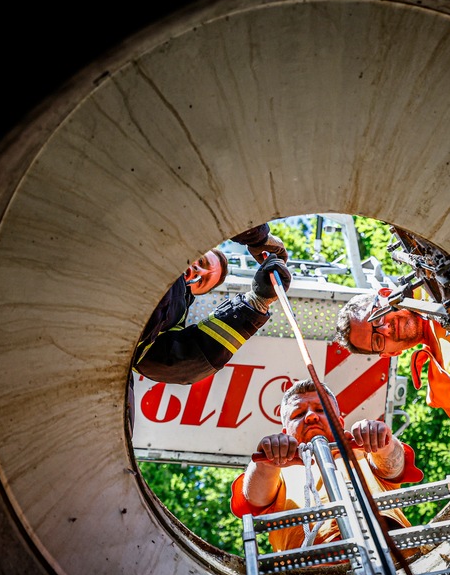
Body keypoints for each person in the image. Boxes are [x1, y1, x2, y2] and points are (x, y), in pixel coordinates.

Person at [230, 378, 423, 553]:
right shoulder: (279, 472)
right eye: (298, 414)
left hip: (392, 554)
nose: (311, 417)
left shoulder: (362, 452)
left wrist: (383, 440)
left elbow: (393, 466)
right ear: (285, 431)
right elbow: (255, 499)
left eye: (321, 410)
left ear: (340, 422)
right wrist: (267, 462)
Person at [131, 224, 291, 386]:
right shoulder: (162, 239)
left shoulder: (171, 317)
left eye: (202, 281)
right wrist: (257, 238)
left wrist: (257, 302)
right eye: (201, 261)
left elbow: (176, 363)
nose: (199, 271)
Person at [334, 291, 450, 443]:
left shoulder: (432, 284)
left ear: (386, 294)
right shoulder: (441, 389)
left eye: (377, 318)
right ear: (390, 354)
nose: (386, 329)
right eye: (377, 340)